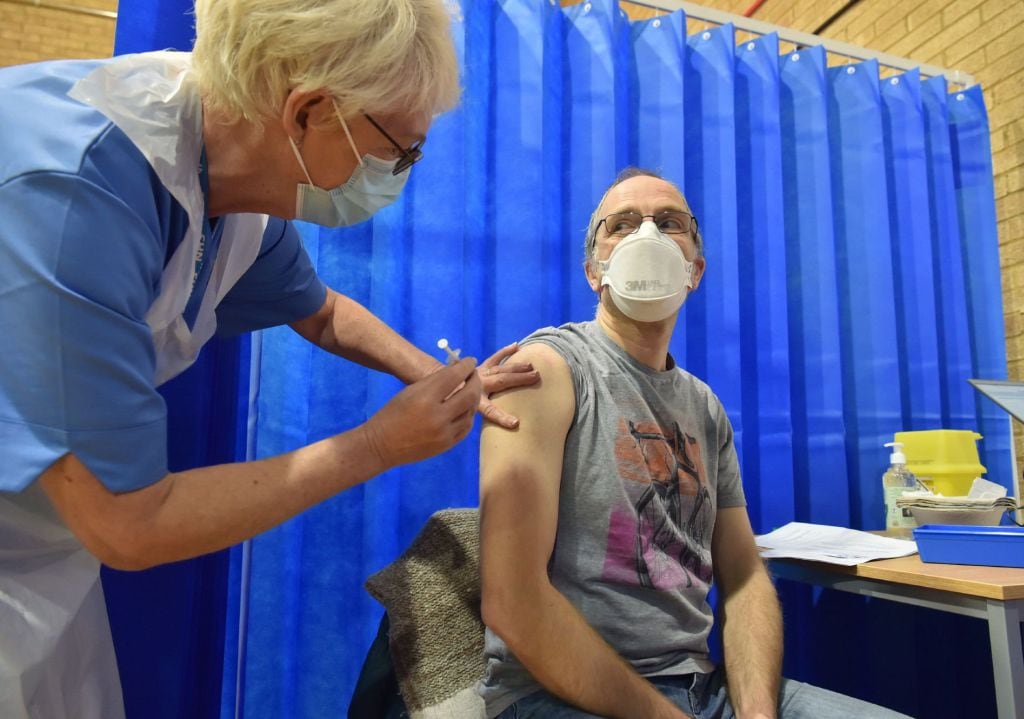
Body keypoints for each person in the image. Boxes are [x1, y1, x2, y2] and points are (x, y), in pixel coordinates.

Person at [0, 1, 538, 716]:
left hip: (45, 552)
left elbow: (320, 309)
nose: (401, 173)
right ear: (309, 110)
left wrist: (436, 376)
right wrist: (376, 443)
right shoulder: (74, 196)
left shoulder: (220, 173)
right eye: (400, 151)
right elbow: (128, 523)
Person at [476, 168, 908, 718]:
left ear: (694, 270)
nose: (646, 236)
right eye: (623, 224)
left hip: (702, 689)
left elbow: (746, 574)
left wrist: (756, 712)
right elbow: (514, 600)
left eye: (670, 223)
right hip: (555, 694)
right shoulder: (544, 372)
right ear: (593, 271)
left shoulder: (704, 407)